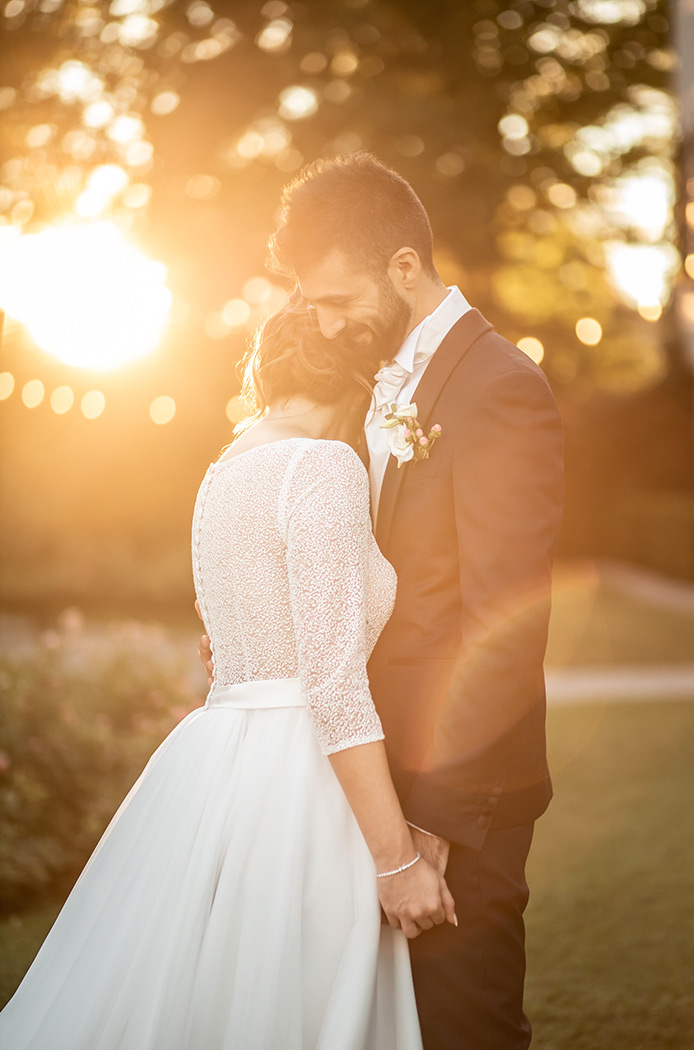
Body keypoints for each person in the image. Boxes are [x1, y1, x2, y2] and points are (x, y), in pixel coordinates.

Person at [0, 300, 457, 1050]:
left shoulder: (224, 470)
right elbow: (332, 679)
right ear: (356, 378)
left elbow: (236, 637)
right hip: (300, 778)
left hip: (213, 756)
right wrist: (396, 860)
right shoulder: (323, 465)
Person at [199, 152, 564, 1050]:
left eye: (331, 298)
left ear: (405, 266)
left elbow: (503, 626)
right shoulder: (367, 384)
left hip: (459, 794)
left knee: (462, 1024)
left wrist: (436, 820)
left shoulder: (500, 388)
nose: (318, 321)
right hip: (360, 777)